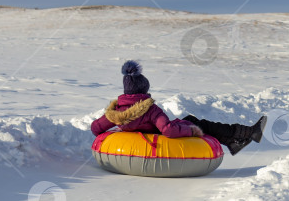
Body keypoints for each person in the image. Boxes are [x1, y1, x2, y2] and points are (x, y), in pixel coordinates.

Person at [91, 61, 267, 156]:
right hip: (158, 140)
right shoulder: (150, 109)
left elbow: (95, 128)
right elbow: (167, 130)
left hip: (142, 138)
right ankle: (246, 133)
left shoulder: (115, 113)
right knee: (196, 122)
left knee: (195, 122)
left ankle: (233, 142)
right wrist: (190, 131)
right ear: (144, 90)